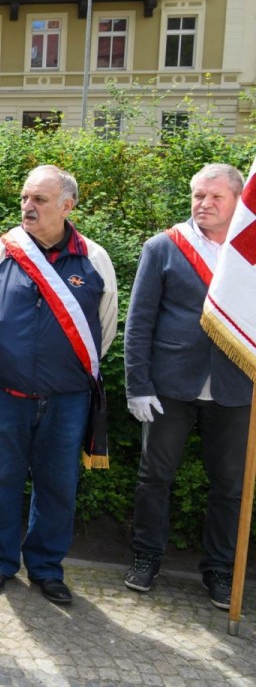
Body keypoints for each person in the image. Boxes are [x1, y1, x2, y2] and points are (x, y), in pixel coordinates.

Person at [0, 165, 117, 604]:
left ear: (68, 206)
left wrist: (63, 370)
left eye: (40, 200)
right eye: (25, 198)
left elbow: (102, 332)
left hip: (67, 399)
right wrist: (3, 362)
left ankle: (48, 567)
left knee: (57, 484)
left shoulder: (94, 258)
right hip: (3, 393)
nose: (28, 207)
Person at [123, 163, 252, 610]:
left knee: (230, 485)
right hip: (169, 386)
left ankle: (219, 570)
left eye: (216, 197)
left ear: (238, 201)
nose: (205, 204)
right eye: (199, 195)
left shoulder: (249, 252)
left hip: (236, 387)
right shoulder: (163, 246)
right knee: (155, 476)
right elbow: (138, 322)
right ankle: (146, 557)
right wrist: (137, 385)